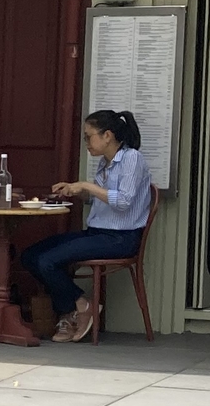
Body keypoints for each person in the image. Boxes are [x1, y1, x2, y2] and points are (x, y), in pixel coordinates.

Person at [20, 109, 153, 344]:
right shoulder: (105, 163)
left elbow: (123, 202)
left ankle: (80, 307)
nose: (86, 143)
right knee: (31, 256)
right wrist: (78, 192)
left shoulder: (131, 158)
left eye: (88, 136)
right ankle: (79, 305)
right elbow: (98, 200)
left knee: (47, 261)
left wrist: (86, 185)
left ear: (107, 136)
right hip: (97, 232)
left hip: (121, 238)